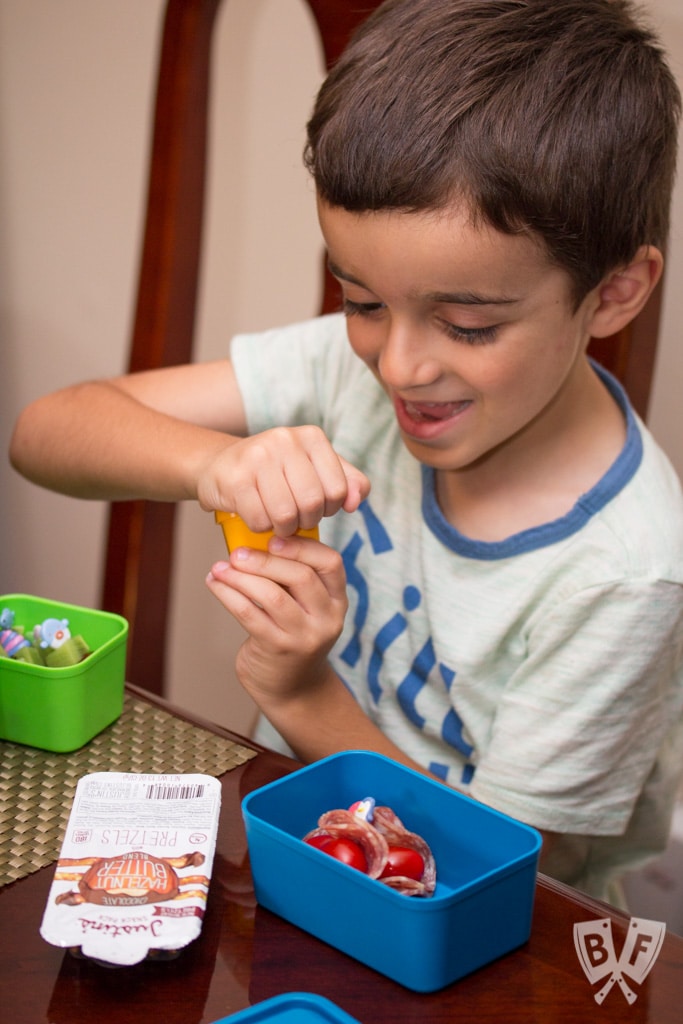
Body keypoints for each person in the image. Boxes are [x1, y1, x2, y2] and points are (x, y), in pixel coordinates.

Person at [9, 0, 683, 905]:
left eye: (467, 323)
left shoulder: (625, 573)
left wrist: (301, 694)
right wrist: (210, 463)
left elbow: (510, 865)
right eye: (362, 300)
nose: (398, 364)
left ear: (614, 293)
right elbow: (47, 432)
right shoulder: (346, 366)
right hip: (292, 870)